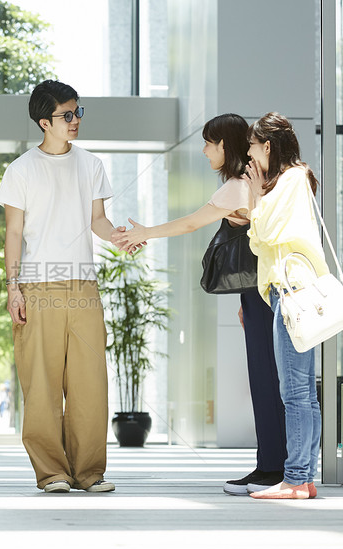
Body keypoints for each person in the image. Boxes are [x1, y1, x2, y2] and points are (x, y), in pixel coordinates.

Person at [113, 113, 287, 495]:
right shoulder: (255, 183)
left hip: (264, 293)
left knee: (264, 378)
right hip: (264, 289)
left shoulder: (238, 187)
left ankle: (272, 468)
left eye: (209, 142)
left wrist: (144, 232)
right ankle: (272, 464)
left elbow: (192, 223)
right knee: (269, 378)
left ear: (225, 144)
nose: (205, 149)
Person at [0, 79, 124, 494]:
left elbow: (98, 221)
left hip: (84, 286)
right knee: (42, 384)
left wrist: (120, 237)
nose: (75, 121)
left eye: (78, 112)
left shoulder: (91, 165)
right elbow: (13, 234)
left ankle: (89, 472)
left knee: (90, 384)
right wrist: (13, 288)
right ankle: (51, 472)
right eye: (66, 115)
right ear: (43, 122)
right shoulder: (20, 170)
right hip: (37, 286)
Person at [244, 112, 328, 500]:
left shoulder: (290, 179)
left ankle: (295, 479)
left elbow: (261, 234)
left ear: (267, 146)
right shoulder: (294, 179)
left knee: (294, 391)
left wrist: (255, 195)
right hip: (296, 288)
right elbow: (262, 238)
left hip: (291, 289)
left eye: (251, 145)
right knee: (304, 391)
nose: (249, 153)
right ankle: (305, 477)